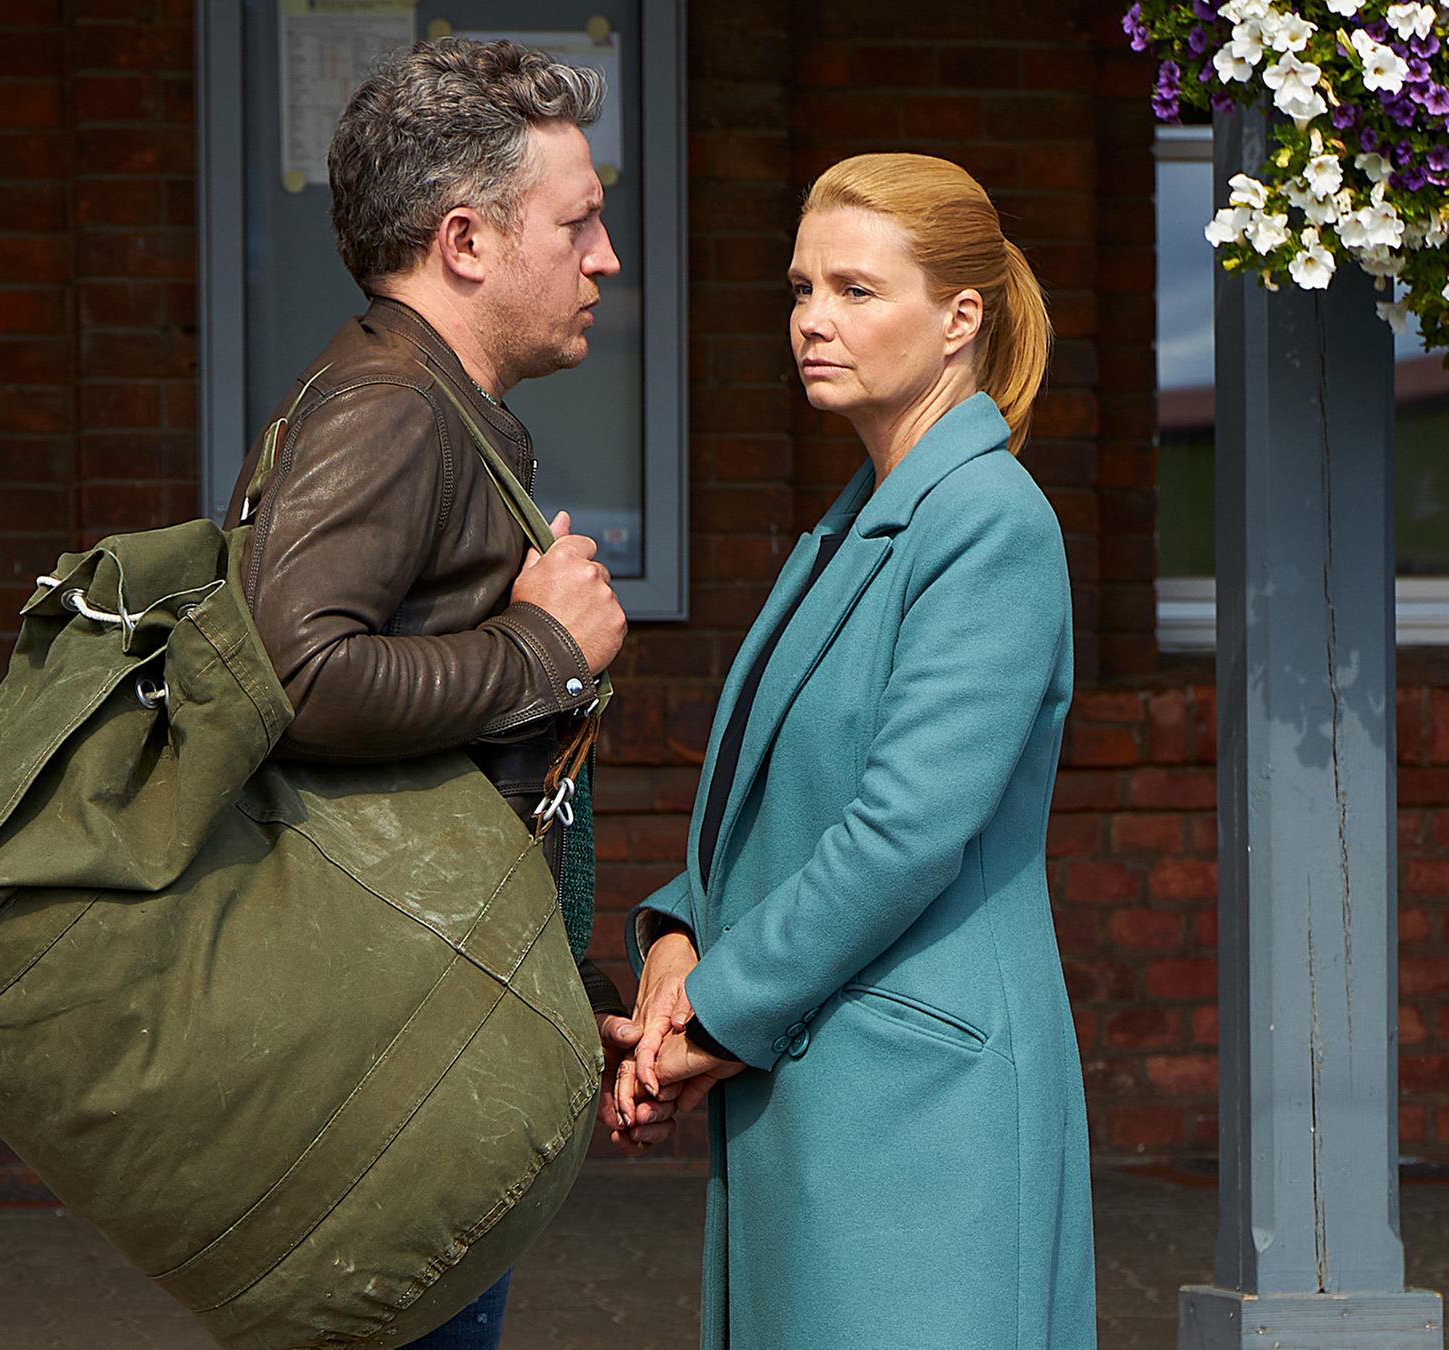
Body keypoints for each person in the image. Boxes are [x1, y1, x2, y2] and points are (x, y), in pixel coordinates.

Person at [614, 153, 1095, 1349]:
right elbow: (776, 796)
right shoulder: (868, 515)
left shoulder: (986, 521)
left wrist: (714, 1011)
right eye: (800, 288)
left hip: (918, 1113)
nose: (811, 321)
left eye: (855, 290)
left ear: (960, 319)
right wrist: (678, 941)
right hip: (835, 1086)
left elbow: (903, 830)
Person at [221, 37, 639, 1350]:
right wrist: (547, 645)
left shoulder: (421, 401)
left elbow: (446, 780)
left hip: (416, 1034)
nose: (605, 258)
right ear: (466, 241)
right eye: (577, 223)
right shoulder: (392, 409)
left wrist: (562, 984)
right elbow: (293, 674)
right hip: (386, 1069)